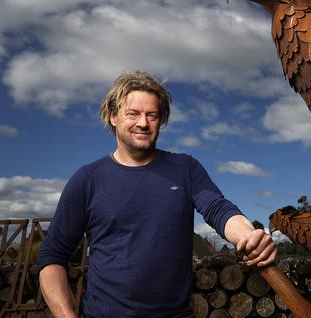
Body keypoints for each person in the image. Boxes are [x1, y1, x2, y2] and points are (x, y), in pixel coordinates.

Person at [38, 71, 276, 318]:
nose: (143, 123)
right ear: (113, 117)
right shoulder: (87, 179)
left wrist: (248, 236)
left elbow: (217, 208)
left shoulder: (185, 168)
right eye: (133, 114)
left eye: (151, 115)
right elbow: (53, 255)